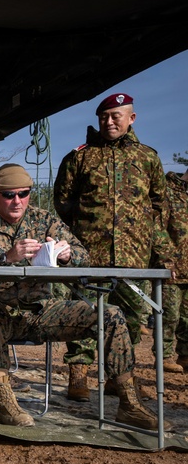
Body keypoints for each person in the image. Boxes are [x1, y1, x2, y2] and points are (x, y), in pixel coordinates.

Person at [0, 164, 163, 429]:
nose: (17, 201)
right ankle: (7, 406)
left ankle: (129, 404)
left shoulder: (44, 220)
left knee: (109, 315)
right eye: (9, 195)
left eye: (24, 193)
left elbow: (82, 255)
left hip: (38, 310)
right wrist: (7, 257)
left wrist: (67, 256)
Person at [54, 93, 178, 400]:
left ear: (131, 119)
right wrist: (87, 230)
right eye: (104, 117)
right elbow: (63, 202)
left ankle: (117, 377)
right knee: (83, 313)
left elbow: (158, 211)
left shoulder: (148, 158)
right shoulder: (79, 157)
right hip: (89, 255)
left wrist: (164, 256)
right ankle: (78, 375)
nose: (109, 122)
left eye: (116, 116)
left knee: (132, 319)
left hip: (133, 257)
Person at [160, 169, 188, 370]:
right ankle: (164, 356)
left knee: (187, 316)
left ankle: (185, 356)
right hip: (174, 266)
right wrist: (166, 259)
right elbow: (159, 227)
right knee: (170, 315)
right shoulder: (168, 191)